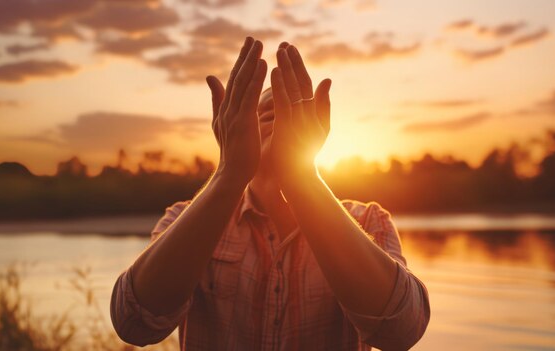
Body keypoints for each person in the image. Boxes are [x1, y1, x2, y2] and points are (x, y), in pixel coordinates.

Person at [110, 37, 430, 351]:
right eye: (262, 107)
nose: (278, 109)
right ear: (232, 125)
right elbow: (134, 322)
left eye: (291, 108)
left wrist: (302, 178)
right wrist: (229, 173)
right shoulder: (185, 219)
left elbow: (401, 331)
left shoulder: (368, 221)